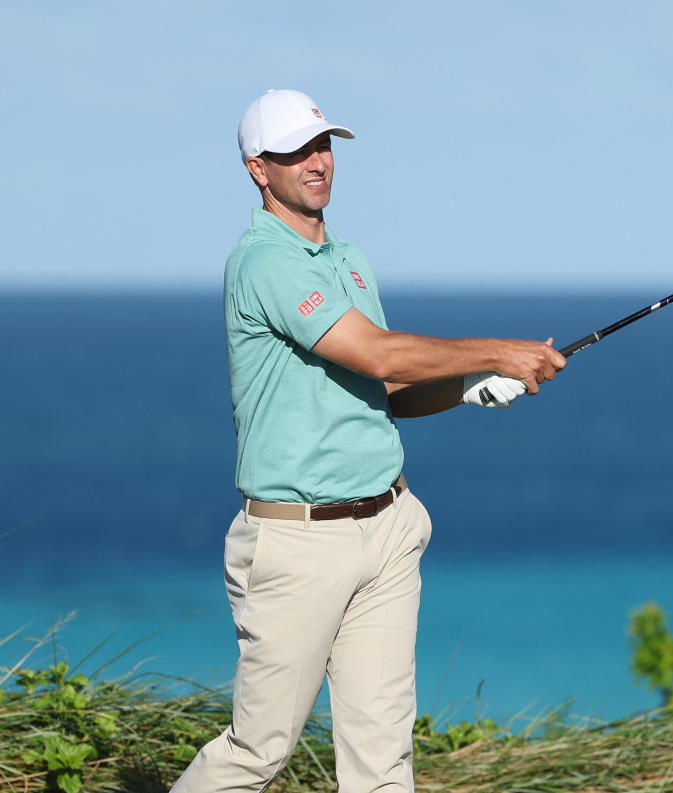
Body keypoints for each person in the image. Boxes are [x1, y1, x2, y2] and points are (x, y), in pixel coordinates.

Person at [171, 88, 566, 793]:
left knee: (383, 760)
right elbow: (378, 353)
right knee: (258, 751)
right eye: (296, 151)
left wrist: (472, 383)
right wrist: (501, 351)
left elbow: (384, 390)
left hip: (387, 526)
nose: (317, 160)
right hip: (299, 542)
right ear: (259, 169)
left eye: (322, 145)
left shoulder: (348, 259)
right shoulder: (266, 261)